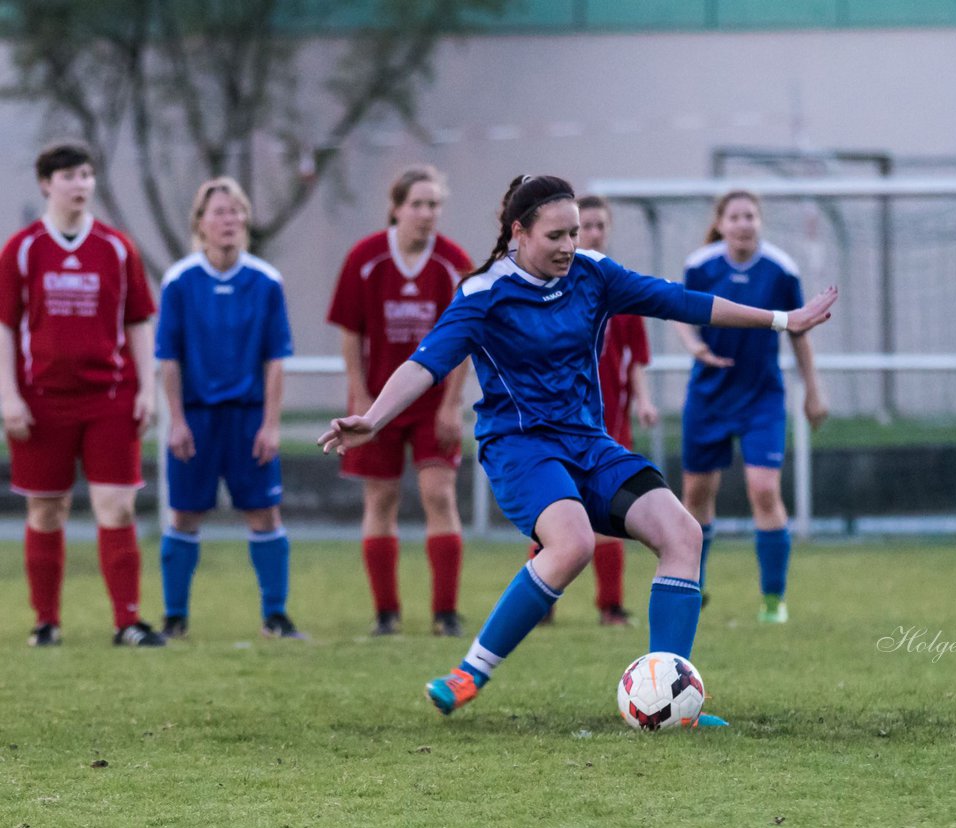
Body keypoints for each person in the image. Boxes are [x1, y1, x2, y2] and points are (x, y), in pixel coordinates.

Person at [319, 175, 837, 722]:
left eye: (574, 234)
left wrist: (783, 320)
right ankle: (469, 672)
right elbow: (427, 363)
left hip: (589, 444)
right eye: (556, 235)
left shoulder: (593, 273)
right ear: (518, 232)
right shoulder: (483, 293)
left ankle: (669, 699)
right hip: (521, 449)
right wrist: (373, 419)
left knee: (683, 533)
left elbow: (680, 302)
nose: (570, 246)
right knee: (572, 545)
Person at [0, 140, 164, 647]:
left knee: (115, 506)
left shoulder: (117, 247)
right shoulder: (22, 249)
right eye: (70, 176)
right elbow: (5, 327)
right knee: (46, 510)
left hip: (109, 397)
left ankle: (127, 623)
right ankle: (45, 622)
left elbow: (138, 321)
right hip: (41, 400)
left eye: (88, 175)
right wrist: (8, 396)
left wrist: (147, 389)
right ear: (47, 183)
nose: (81, 185)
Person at [154, 177, 304, 640]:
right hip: (196, 420)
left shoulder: (265, 281)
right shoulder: (179, 281)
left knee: (264, 515)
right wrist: (176, 420)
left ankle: (274, 617)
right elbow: (168, 358)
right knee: (184, 516)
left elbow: (275, 360)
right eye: (219, 212)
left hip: (249, 418)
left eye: (237, 211)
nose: (230, 220)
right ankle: (175, 618)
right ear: (200, 222)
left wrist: (271, 425)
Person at [326, 165, 472, 637]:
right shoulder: (365, 259)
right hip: (378, 406)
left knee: (439, 493)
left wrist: (452, 403)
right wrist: (360, 393)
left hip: (433, 405)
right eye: (418, 205)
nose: (428, 214)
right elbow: (351, 334)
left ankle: (445, 614)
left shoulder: (453, 263)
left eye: (435, 205)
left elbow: (468, 336)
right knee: (382, 497)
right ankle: (386, 615)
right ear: (396, 208)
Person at [676, 190, 829, 624]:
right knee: (697, 495)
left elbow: (799, 331)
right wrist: (696, 347)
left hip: (762, 396)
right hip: (708, 396)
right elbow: (682, 317)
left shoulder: (781, 270)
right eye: (735, 216)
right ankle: (693, 587)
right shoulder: (700, 265)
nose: (743, 223)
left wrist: (813, 390)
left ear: (760, 222)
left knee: (763, 489)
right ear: (721, 223)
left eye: (751, 216)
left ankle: (773, 600)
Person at [536, 195, 658, 627]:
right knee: (553, 509)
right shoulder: (549, 287)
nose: (592, 233)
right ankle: (541, 604)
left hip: (609, 424)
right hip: (559, 423)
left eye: (598, 225)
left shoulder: (617, 287)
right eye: (583, 226)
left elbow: (635, 359)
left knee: (608, 513)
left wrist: (643, 400)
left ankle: (609, 606)